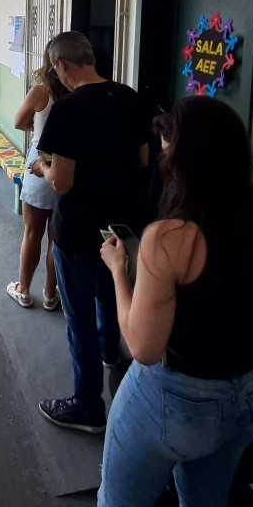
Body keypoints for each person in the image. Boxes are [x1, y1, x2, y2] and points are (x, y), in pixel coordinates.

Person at [96, 95, 253, 507]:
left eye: (168, 149)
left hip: (174, 402)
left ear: (186, 158)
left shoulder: (170, 238)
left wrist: (119, 270)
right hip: (247, 401)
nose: (163, 159)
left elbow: (142, 347)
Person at [31, 30, 149, 433]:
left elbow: (62, 182)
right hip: (120, 227)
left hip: (78, 229)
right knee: (111, 291)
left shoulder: (68, 109)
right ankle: (110, 354)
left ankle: (87, 405)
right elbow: (144, 158)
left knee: (78, 314)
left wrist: (42, 168)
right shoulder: (131, 97)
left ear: (62, 65)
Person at [7, 43, 68, 310]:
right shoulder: (75, 92)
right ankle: (50, 293)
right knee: (56, 236)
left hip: (39, 163)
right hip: (67, 166)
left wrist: (35, 126)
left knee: (32, 233)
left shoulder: (40, 92)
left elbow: (19, 122)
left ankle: (23, 290)